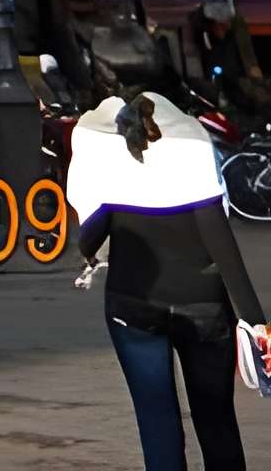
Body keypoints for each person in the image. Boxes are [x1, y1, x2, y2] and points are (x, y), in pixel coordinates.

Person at [70, 75, 269, 471]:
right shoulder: (192, 148)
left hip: (132, 306)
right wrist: (256, 321)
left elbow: (89, 239)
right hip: (204, 309)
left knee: (157, 424)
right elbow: (220, 241)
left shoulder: (115, 160)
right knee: (217, 423)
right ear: (180, 111)